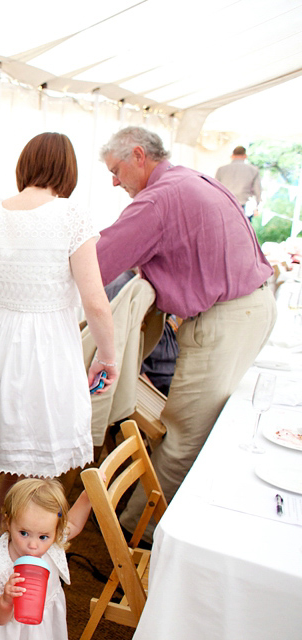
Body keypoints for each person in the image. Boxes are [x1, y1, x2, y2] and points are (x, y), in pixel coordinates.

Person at [0, 132, 117, 561]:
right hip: (45, 348)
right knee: (36, 456)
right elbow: (96, 302)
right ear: (68, 171)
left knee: (18, 454)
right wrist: (108, 357)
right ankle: (17, 552)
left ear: (25, 165)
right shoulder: (72, 216)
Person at [97, 126, 276, 538]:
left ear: (138, 155)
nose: (114, 181)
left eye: (116, 170)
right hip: (251, 308)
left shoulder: (158, 199)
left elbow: (100, 264)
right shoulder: (193, 179)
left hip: (226, 319)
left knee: (183, 438)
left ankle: (133, 537)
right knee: (200, 428)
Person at [0, 478, 93, 640]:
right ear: (8, 522)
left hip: (40, 625)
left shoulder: (51, 537)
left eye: (43, 537)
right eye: (23, 533)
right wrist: (6, 601)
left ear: (55, 530)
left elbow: (72, 523)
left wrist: (88, 496)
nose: (33, 545)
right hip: (3, 631)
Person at [215, 145, 262, 220]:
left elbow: (215, 189)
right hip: (244, 206)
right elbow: (258, 191)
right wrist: (257, 207)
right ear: (245, 156)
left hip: (224, 205)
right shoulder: (253, 170)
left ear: (232, 156)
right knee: (241, 230)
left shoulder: (221, 170)